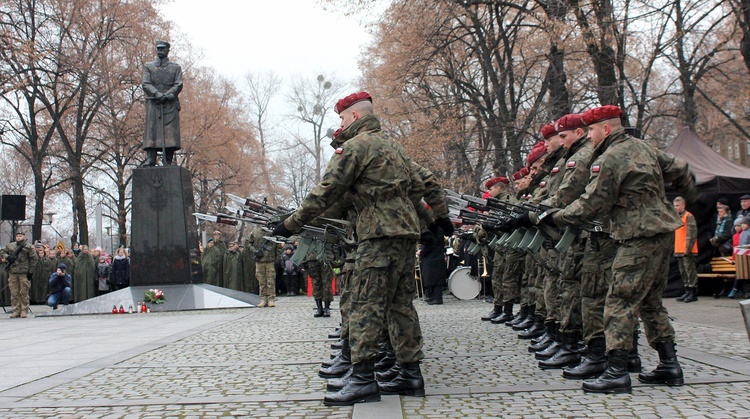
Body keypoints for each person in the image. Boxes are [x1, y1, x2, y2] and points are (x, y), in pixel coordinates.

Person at [273, 91, 439, 406]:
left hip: (376, 235)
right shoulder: (396, 147)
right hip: (405, 234)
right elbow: (420, 190)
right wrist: (432, 224)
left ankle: (363, 379)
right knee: (401, 304)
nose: (341, 123)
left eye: (342, 118)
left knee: (366, 304)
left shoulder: (354, 147)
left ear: (354, 116)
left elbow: (327, 191)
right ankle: (410, 373)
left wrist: (292, 224)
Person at [544, 105, 697, 394]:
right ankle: (670, 364)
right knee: (650, 301)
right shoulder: (644, 147)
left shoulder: (611, 157)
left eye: (591, 130)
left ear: (606, 128)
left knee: (619, 300)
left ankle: (616, 371)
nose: (589, 136)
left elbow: (592, 203)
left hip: (637, 236)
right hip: (662, 232)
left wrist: (556, 216)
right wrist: (688, 199)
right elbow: (680, 170)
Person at [142, 40, 183, 166]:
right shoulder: (149, 67)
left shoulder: (175, 68)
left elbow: (178, 83)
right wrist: (156, 94)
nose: (160, 51)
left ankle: (168, 160)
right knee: (152, 131)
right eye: (158, 49)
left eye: (162, 49)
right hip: (154, 103)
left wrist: (169, 94)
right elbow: (146, 83)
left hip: (170, 104)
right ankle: (151, 159)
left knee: (170, 132)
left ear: (167, 50)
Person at [0, 231, 38, 318]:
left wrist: (31, 272)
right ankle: (16, 310)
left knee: (24, 292)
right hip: (13, 272)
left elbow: (34, 259)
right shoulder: (11, 245)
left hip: (23, 272)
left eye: (20, 236)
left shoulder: (28, 247)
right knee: (14, 293)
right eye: (17, 236)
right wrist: (8, 257)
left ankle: (24, 310)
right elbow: (2, 251)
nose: (18, 238)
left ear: (24, 237)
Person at [673, 196, 699, 303]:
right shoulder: (677, 217)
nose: (676, 208)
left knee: (690, 271)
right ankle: (687, 291)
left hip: (687, 250)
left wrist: (687, 250)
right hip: (679, 249)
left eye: (677, 205)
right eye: (674, 206)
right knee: (683, 272)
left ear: (683, 205)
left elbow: (691, 234)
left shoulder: (688, 216)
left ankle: (693, 293)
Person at [251, 226, 281, 307]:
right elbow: (248, 243)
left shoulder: (273, 233)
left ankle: (271, 299)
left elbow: (278, 247)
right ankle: (263, 299)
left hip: (270, 261)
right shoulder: (255, 232)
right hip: (259, 261)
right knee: (261, 281)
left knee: (270, 281)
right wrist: (255, 251)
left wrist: (277, 260)